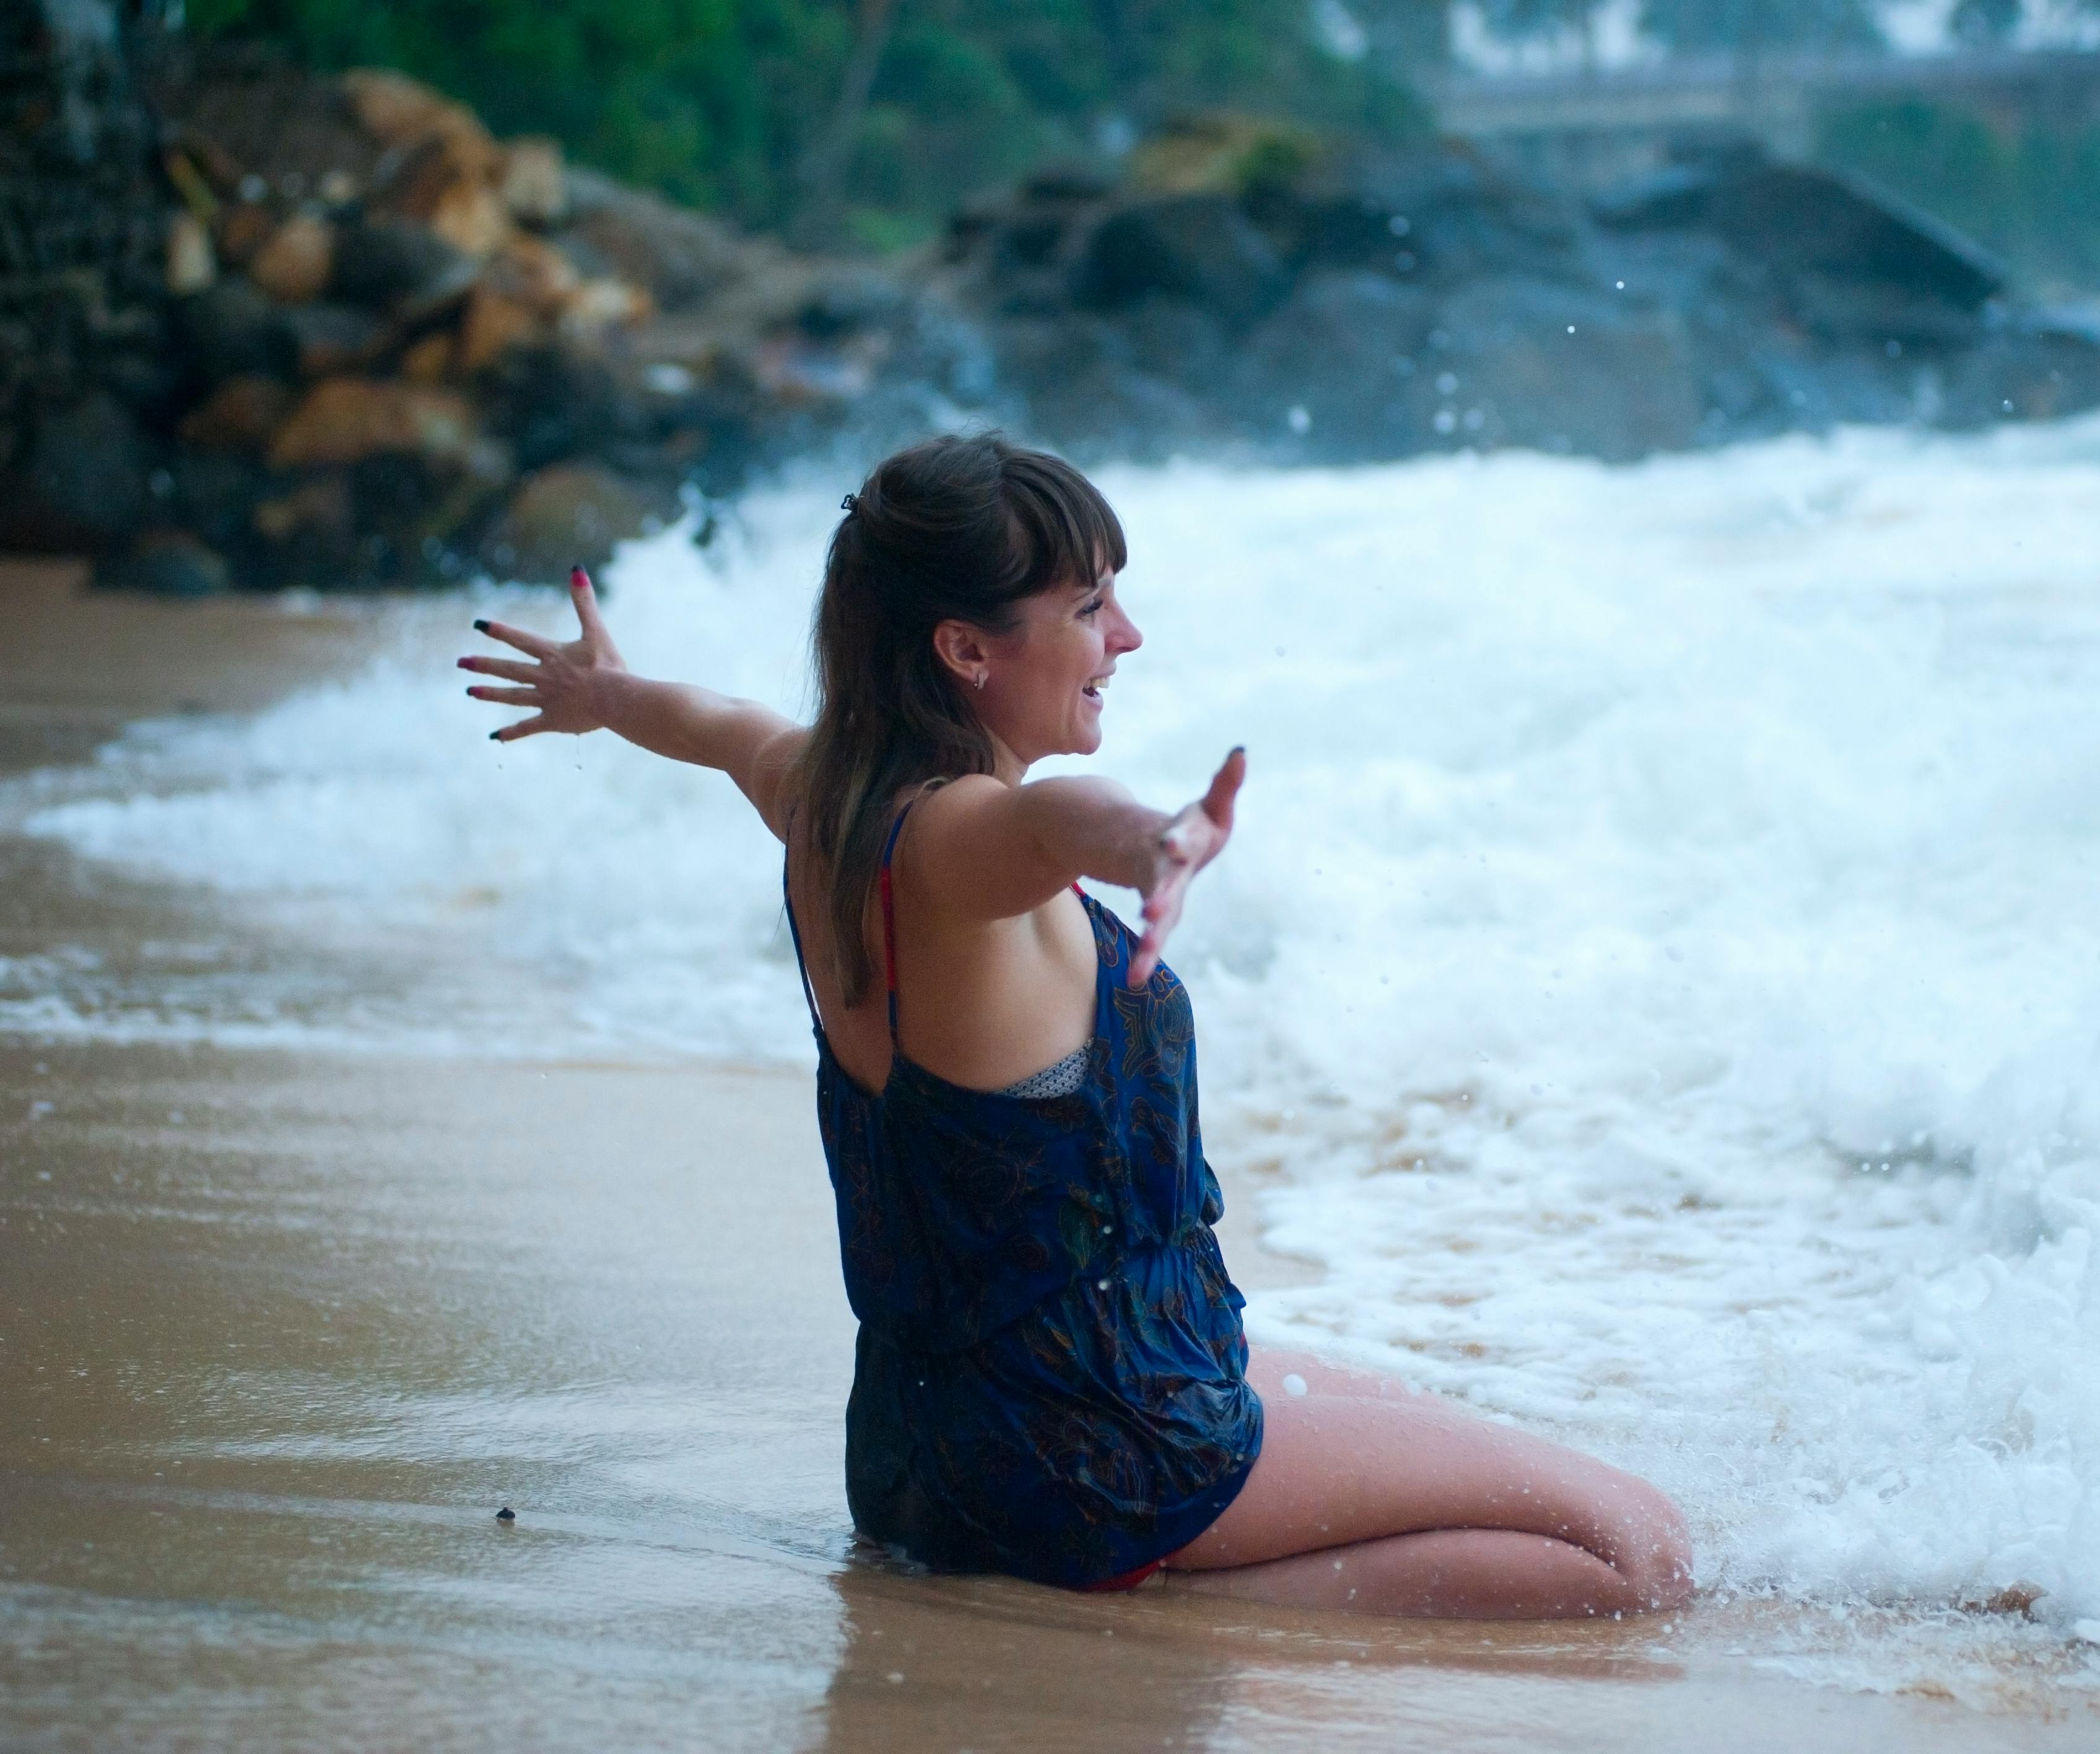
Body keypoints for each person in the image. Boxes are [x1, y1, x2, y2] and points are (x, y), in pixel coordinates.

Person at [458, 432, 1693, 1619]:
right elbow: (1058, 824)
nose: (1128, 636)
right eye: (1088, 608)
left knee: (1450, 1432)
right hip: (1090, 1455)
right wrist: (1155, 839)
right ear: (966, 649)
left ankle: (1114, 1583)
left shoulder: (819, 794)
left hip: (931, 1448)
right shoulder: (960, 845)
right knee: (1638, 1552)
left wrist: (603, 694)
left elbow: (715, 725)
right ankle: (1159, 1629)